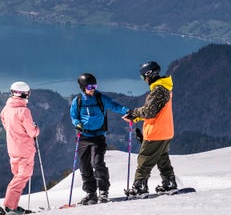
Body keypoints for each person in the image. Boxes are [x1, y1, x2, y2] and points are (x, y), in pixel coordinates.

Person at [69, 73, 130, 205]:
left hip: (98, 136)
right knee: (84, 166)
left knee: (97, 163)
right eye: (90, 86)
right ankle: (91, 194)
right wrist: (77, 124)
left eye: (95, 85)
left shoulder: (101, 98)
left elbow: (115, 105)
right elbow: (74, 116)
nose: (93, 88)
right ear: (83, 87)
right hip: (83, 137)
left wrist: (128, 111)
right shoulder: (78, 101)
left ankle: (103, 191)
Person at [122, 61, 176, 196]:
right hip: (166, 130)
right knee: (162, 157)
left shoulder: (158, 90)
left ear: (149, 74)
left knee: (144, 158)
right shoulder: (165, 88)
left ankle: (140, 187)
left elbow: (149, 112)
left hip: (156, 132)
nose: (144, 80)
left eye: (142, 77)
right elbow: (153, 111)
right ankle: (169, 183)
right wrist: (136, 118)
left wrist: (134, 114)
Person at [0, 81, 40, 215]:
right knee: (22, 177)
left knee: (18, 176)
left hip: (13, 149)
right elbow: (32, 132)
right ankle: (9, 206)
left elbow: (5, 123)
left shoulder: (6, 108)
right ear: (25, 94)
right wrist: (36, 129)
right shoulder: (24, 111)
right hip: (25, 150)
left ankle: (13, 206)